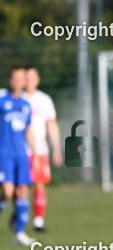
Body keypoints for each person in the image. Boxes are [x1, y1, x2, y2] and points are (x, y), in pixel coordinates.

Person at [0, 66, 38, 246]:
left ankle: (20, 233)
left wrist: (35, 153)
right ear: (10, 80)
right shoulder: (2, 100)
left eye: (20, 79)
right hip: (4, 153)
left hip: (21, 155)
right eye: (13, 78)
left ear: (24, 82)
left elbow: (28, 130)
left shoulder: (25, 105)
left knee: (22, 191)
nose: (16, 82)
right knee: (7, 192)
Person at [22, 66, 62, 232]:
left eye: (32, 78)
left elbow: (51, 125)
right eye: (26, 78)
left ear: (38, 79)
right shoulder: (16, 98)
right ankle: (19, 217)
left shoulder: (44, 100)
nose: (29, 81)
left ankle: (38, 222)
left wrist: (57, 149)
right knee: (20, 188)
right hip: (20, 150)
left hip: (40, 150)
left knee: (38, 185)